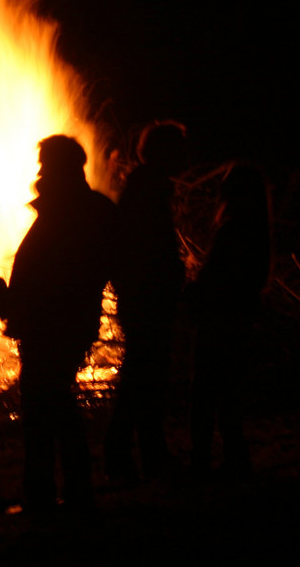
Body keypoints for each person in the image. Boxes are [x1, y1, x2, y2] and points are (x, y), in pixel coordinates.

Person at [7, 136, 116, 516]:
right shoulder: (83, 207)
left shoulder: (73, 209)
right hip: (57, 320)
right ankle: (69, 490)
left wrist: (24, 305)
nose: (40, 169)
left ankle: (47, 495)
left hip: (54, 321)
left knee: (44, 406)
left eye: (45, 161)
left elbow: (60, 270)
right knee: (52, 403)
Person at [104, 121, 187, 482]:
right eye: (178, 149)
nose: (184, 157)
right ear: (163, 153)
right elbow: (142, 249)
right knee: (144, 375)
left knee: (146, 375)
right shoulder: (146, 191)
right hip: (147, 298)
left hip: (147, 295)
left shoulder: (148, 188)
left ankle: (145, 453)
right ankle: (125, 453)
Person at [185, 162, 271, 480]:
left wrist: (194, 287)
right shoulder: (256, 228)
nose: (220, 187)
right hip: (238, 319)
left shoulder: (234, 229)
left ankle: (202, 460)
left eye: (227, 183)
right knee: (227, 393)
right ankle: (236, 458)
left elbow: (219, 277)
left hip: (220, 320)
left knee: (205, 393)